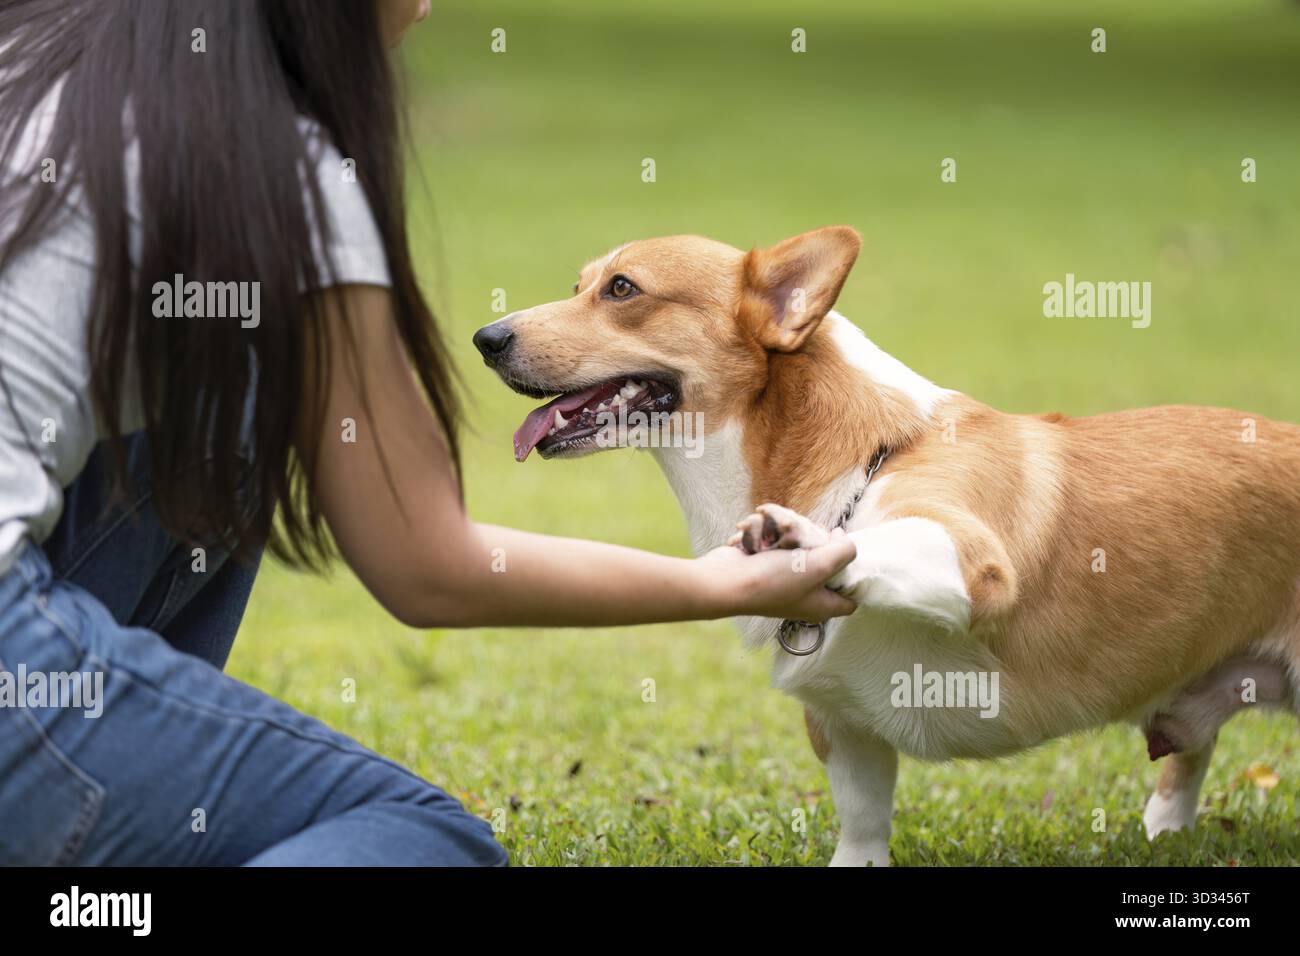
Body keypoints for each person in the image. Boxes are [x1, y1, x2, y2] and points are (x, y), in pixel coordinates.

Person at [0, 0, 855, 865]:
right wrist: (722, 585)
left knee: (244, 374)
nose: (429, 5)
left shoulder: (29, 51)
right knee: (432, 841)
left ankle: (129, 776)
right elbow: (429, 565)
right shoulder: (273, 167)